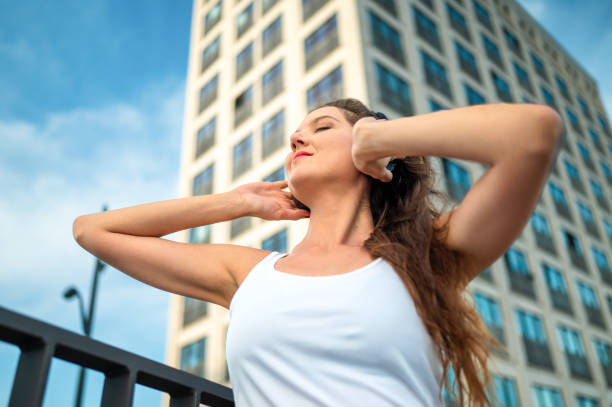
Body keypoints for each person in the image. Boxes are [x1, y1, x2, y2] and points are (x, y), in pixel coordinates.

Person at [73, 98, 563, 406]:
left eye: (323, 126)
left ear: (373, 152)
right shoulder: (249, 273)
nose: (297, 138)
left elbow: (534, 135)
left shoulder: (429, 255)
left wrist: (383, 135)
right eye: (297, 136)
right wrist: (237, 202)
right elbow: (93, 231)